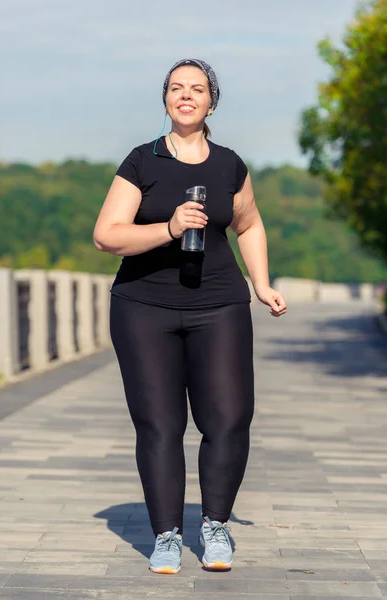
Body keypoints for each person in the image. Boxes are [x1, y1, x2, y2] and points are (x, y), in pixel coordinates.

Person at [93, 58, 287, 574]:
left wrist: (262, 283)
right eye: (176, 88)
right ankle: (166, 536)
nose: (186, 95)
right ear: (165, 101)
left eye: (196, 88)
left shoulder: (228, 165)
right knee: (159, 424)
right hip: (143, 307)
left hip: (219, 304)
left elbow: (249, 225)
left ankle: (215, 525)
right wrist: (169, 228)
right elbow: (107, 235)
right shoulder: (142, 161)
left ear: (211, 101)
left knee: (228, 418)